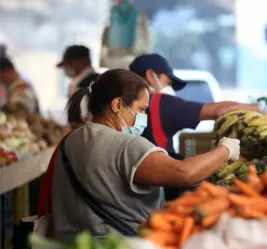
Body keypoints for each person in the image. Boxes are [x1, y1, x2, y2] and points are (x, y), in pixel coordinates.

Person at [42, 69, 239, 240]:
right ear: (117, 105)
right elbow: (184, 173)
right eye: (141, 109)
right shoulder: (127, 146)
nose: (143, 118)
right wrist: (225, 150)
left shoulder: (70, 141)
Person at [129, 53, 267, 200]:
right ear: (150, 76)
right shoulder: (159, 103)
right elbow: (217, 110)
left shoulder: (125, 106)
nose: (169, 88)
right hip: (157, 191)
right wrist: (260, 109)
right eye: (168, 82)